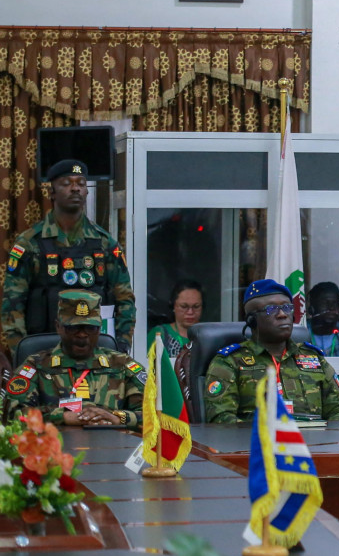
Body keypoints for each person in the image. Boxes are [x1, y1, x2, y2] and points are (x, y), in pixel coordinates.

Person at [1, 160, 135, 356]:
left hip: (97, 357)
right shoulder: (30, 243)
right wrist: (22, 355)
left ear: (87, 192)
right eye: (67, 183)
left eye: (81, 183)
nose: (75, 189)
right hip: (43, 354)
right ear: (51, 192)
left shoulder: (104, 243)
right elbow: (12, 306)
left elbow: (125, 300)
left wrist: (120, 349)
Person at [203, 280, 339, 424]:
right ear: (252, 320)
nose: (282, 315)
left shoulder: (314, 358)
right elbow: (221, 418)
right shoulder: (230, 362)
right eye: (271, 309)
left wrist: (326, 440)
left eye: (287, 308)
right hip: (256, 446)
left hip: (312, 445)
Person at [4, 290, 146, 427]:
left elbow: (152, 414)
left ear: (100, 328)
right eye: (74, 328)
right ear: (58, 327)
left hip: (115, 446)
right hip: (54, 447)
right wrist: (63, 416)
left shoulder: (122, 365)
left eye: (90, 328)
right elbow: (11, 414)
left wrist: (117, 417)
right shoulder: (36, 365)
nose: (82, 335)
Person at [147, 280, 203, 356]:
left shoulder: (210, 336)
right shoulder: (159, 334)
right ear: (173, 306)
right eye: (184, 306)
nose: (190, 312)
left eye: (196, 307)